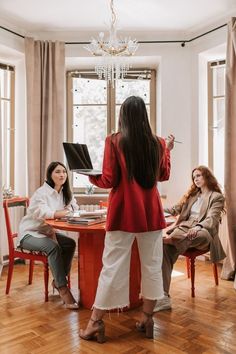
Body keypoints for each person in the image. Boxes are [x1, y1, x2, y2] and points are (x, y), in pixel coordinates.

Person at [79, 96, 175, 343]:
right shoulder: (159, 142)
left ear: (123, 115)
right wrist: (167, 152)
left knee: (111, 267)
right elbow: (163, 175)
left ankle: (95, 323)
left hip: (123, 214)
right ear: (144, 115)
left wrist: (88, 174)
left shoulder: (114, 140)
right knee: (152, 267)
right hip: (151, 215)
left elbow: (108, 180)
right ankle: (147, 318)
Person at [154, 165, 226, 312]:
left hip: (204, 231)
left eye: (199, 175)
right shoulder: (192, 196)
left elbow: (212, 220)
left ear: (207, 176)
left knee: (195, 235)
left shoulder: (217, 197)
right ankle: (164, 298)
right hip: (184, 229)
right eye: (194, 177)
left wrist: (198, 227)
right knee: (165, 248)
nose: (196, 179)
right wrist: (154, 207)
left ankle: (171, 239)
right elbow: (174, 209)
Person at [18, 161, 79, 309]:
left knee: (70, 244)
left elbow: (75, 207)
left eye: (64, 172)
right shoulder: (41, 193)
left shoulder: (65, 192)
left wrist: (67, 211)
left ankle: (57, 281)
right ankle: (62, 287)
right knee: (53, 248)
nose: (62, 175)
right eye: (57, 172)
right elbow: (46, 214)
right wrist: (66, 211)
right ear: (50, 175)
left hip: (47, 233)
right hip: (29, 234)